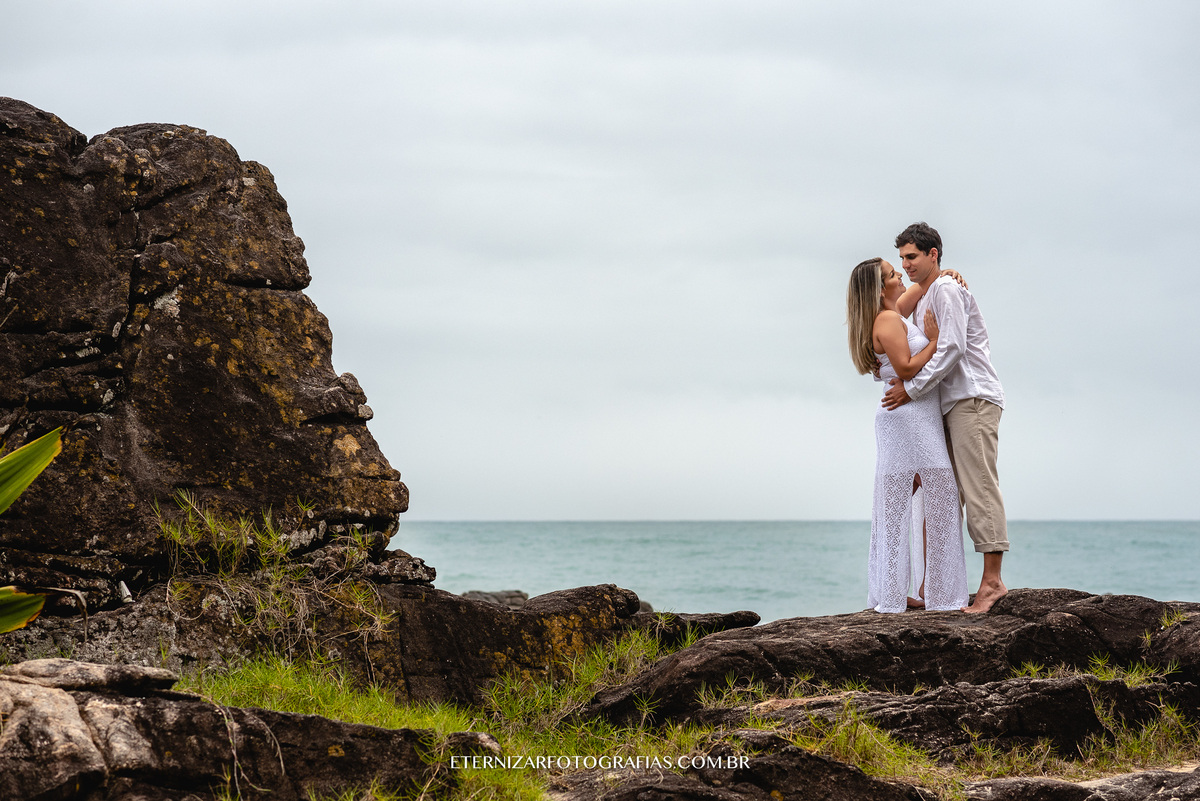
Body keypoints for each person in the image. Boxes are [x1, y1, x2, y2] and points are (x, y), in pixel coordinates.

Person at [882, 222, 1008, 614]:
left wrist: (911, 389)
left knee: (979, 488)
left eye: (912, 257)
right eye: (901, 258)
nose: (906, 266)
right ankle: (935, 587)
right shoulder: (925, 295)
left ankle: (991, 584)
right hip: (946, 406)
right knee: (939, 494)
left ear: (933, 254)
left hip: (971, 398)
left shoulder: (948, 290)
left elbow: (951, 347)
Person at [848, 257, 969, 613]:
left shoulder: (892, 311)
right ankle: (923, 594)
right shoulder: (886, 319)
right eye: (891, 274)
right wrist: (935, 340)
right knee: (931, 495)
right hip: (907, 417)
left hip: (914, 415)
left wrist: (943, 272)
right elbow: (906, 368)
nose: (899, 274)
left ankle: (908, 591)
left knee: (907, 500)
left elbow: (917, 288)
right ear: (878, 288)